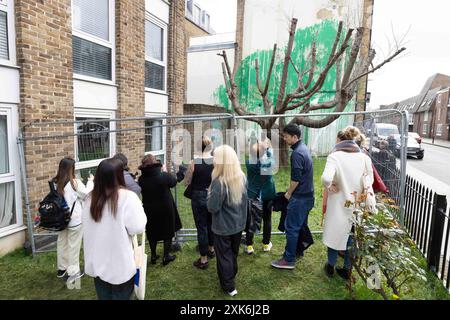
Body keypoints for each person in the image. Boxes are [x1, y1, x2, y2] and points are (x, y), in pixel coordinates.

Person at [82, 158, 147, 300]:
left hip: (97, 262)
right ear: (119, 175)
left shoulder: (89, 199)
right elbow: (138, 227)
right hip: (120, 266)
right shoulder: (128, 197)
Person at [321, 126, 374, 280]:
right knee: (352, 236)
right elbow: (369, 181)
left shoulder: (335, 156)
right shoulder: (365, 158)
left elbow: (325, 179)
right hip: (357, 204)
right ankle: (346, 269)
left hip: (338, 204)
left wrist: (329, 186)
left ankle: (330, 266)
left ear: (341, 139)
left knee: (334, 234)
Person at [271, 124, 314, 270]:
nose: (284, 138)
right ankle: (298, 250)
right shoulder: (304, 148)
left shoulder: (297, 153)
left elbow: (296, 178)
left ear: (294, 137)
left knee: (291, 228)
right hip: (308, 196)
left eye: (286, 136)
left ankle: (288, 259)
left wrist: (288, 194)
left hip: (300, 198)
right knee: (300, 225)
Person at [207, 145, 247, 297]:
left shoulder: (219, 182)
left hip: (223, 227)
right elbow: (245, 203)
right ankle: (230, 275)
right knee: (232, 254)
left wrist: (209, 195)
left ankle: (229, 285)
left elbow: (212, 207)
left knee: (224, 256)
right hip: (238, 225)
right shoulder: (242, 177)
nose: (213, 161)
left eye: (215, 158)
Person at [53, 156, 94, 280]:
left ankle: (62, 268)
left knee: (62, 243)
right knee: (73, 246)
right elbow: (87, 193)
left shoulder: (56, 182)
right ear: (71, 168)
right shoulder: (74, 182)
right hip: (74, 219)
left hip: (61, 219)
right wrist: (91, 180)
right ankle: (73, 271)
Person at [138, 154, 181, 266]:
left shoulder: (141, 179)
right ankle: (166, 256)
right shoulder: (163, 176)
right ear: (155, 164)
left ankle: (153, 255)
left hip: (149, 208)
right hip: (165, 207)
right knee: (168, 230)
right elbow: (174, 182)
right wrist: (166, 171)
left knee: (152, 231)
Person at [184, 136, 215, 269]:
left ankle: (203, 259)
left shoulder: (194, 162)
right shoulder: (216, 161)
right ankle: (211, 249)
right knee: (211, 224)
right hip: (212, 195)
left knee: (201, 227)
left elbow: (186, 182)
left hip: (198, 196)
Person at [244, 139, 276, 254]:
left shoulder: (249, 163)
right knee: (267, 219)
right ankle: (266, 244)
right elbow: (270, 154)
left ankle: (249, 246)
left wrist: (260, 149)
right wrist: (267, 148)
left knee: (251, 220)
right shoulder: (269, 163)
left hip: (253, 195)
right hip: (267, 194)